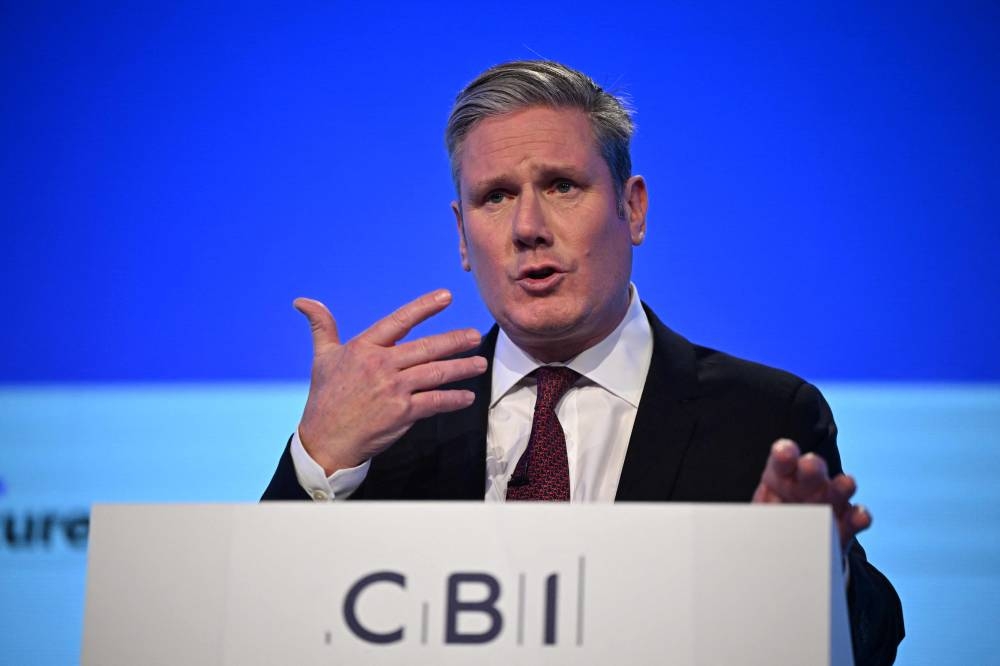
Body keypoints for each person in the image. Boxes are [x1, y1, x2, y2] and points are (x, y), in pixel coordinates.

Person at [263, 60, 904, 663]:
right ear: (462, 236)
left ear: (633, 208)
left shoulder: (763, 416)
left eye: (562, 186)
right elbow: (261, 629)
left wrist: (817, 573)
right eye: (495, 197)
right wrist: (317, 457)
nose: (528, 227)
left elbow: (873, 647)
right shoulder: (393, 427)